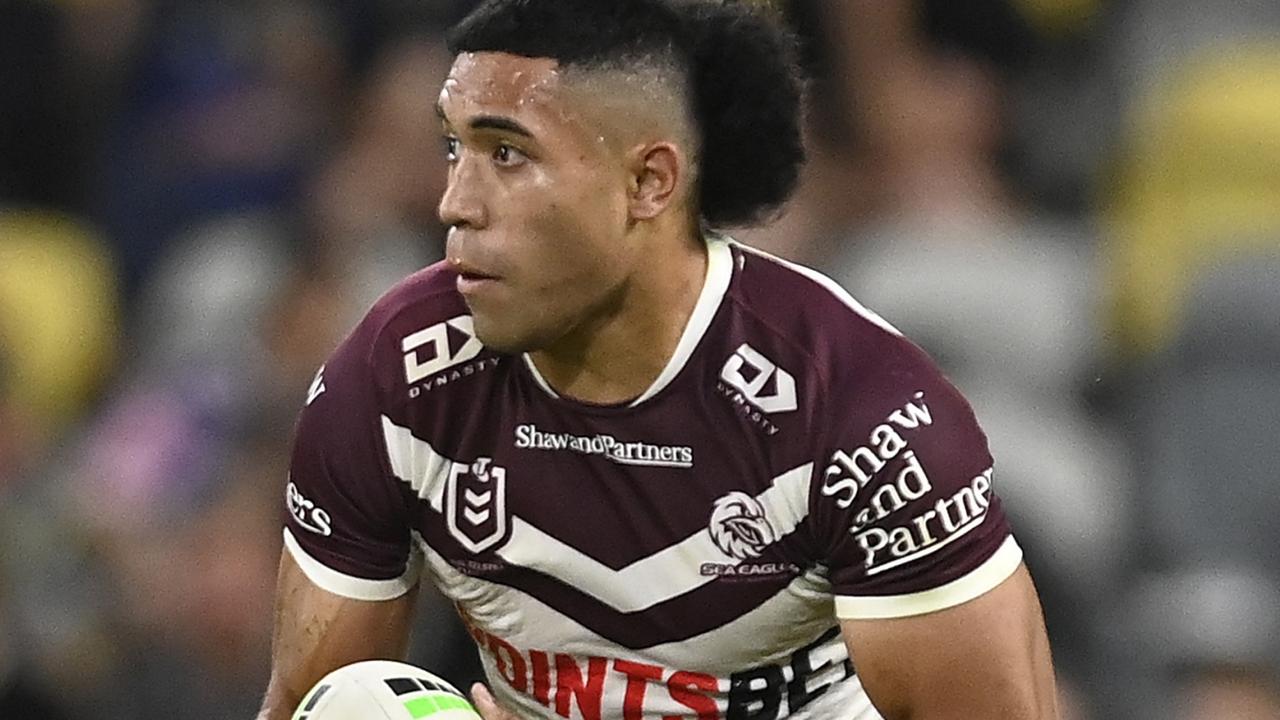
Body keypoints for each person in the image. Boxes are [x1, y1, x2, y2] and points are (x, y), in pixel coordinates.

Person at [256, 1, 1059, 718]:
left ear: (648, 182)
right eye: (453, 148)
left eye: (506, 155)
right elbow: (301, 696)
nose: (455, 203)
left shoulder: (858, 416)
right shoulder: (400, 377)